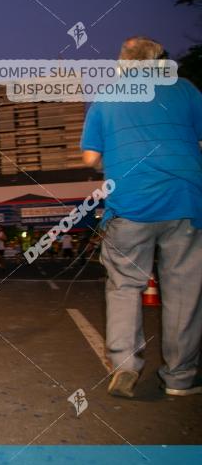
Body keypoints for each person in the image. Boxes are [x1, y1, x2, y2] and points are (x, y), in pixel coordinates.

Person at [81, 35, 202, 398]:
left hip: (130, 204)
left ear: (122, 63)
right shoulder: (185, 90)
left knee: (124, 286)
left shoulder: (107, 96)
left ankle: (125, 367)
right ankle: (180, 378)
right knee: (184, 290)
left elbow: (90, 158)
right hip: (184, 201)